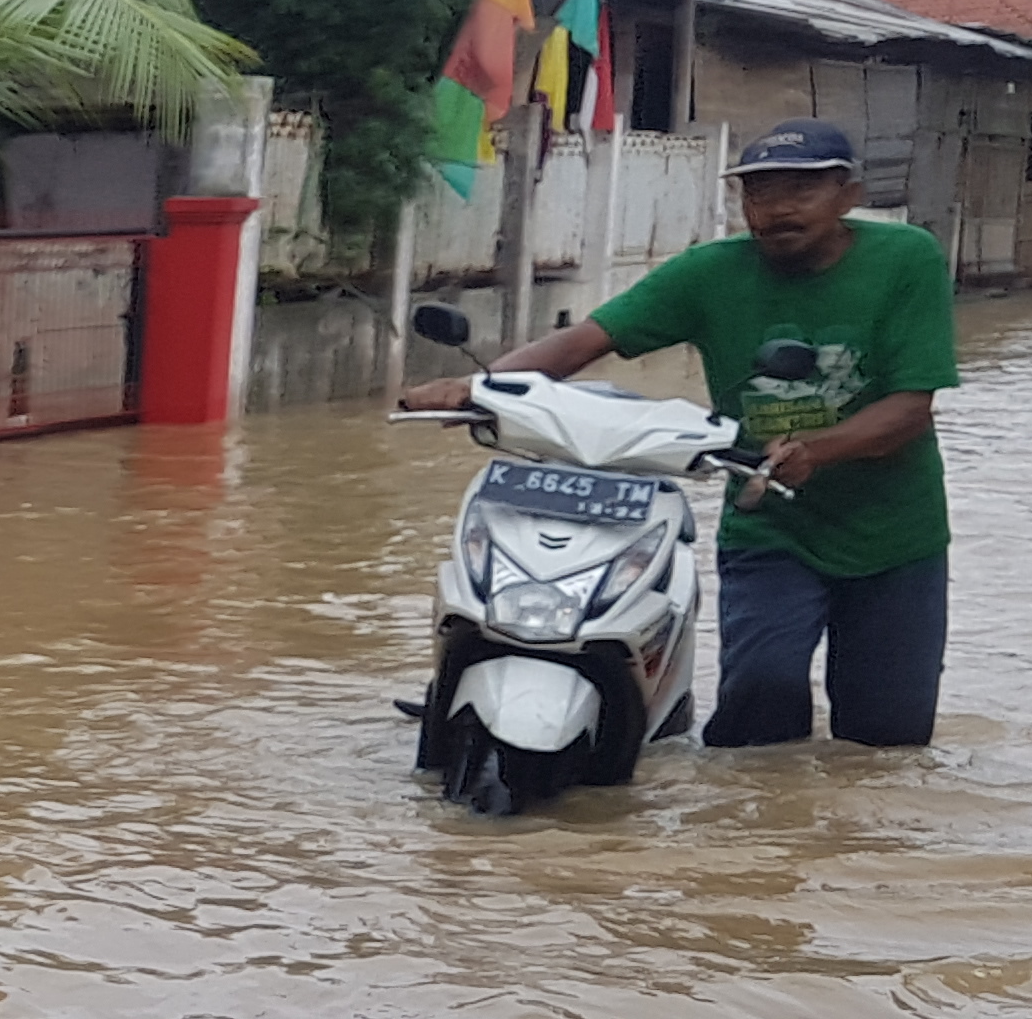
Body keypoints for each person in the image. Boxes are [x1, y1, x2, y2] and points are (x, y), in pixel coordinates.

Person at [402, 117, 958, 746]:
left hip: (896, 536)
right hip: (771, 522)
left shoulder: (906, 259)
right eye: (759, 193)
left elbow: (912, 406)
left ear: (848, 194)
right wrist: (478, 389)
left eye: (800, 190)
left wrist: (818, 451)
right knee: (760, 704)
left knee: (886, 741)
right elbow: (589, 338)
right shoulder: (710, 273)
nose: (776, 210)